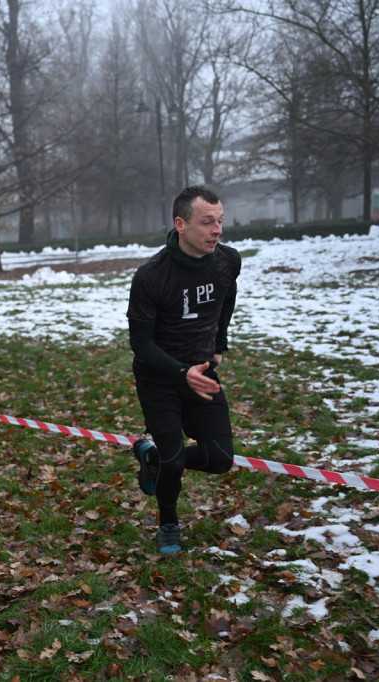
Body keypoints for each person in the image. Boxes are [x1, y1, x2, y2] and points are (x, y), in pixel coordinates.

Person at [125, 185, 241, 556]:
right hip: (158, 377)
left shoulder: (228, 260)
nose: (217, 230)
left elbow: (227, 299)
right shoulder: (150, 276)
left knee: (221, 458)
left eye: (220, 221)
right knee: (175, 460)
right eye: (207, 222)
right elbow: (140, 343)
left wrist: (218, 345)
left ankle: (152, 457)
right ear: (181, 224)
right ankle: (168, 524)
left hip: (203, 372)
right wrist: (180, 372)